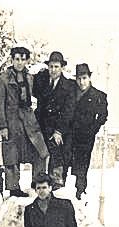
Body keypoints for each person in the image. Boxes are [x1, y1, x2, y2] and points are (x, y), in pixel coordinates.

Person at [0, 46, 49, 197]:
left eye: (23, 59)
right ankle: (13, 188)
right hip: (12, 122)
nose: (19, 62)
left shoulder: (30, 78)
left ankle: (37, 183)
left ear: (27, 61)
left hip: (29, 123)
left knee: (40, 152)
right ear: (12, 60)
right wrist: (3, 126)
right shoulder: (4, 78)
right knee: (12, 156)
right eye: (17, 59)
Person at [33, 51, 76, 189]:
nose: (53, 70)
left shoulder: (69, 86)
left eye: (56, 67)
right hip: (42, 125)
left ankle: (57, 180)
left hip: (58, 128)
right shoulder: (43, 81)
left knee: (57, 152)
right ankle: (38, 182)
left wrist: (59, 131)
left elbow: (68, 111)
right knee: (39, 153)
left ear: (62, 67)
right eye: (51, 66)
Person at [71, 63, 108, 199]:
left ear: (89, 78)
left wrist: (92, 129)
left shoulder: (99, 96)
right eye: (79, 79)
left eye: (84, 78)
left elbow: (103, 116)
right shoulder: (71, 93)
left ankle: (80, 192)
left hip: (86, 136)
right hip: (69, 134)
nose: (81, 82)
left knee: (82, 164)